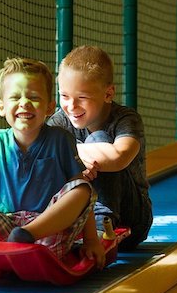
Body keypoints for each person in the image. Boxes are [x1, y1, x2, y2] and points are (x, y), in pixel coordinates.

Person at [0, 58, 105, 268]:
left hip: (45, 235)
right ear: (1, 106)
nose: (24, 103)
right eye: (15, 97)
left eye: (34, 97)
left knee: (82, 188)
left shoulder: (60, 139)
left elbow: (82, 199)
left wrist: (91, 240)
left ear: (49, 107)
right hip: (2, 230)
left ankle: (27, 234)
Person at [47, 45, 153, 250]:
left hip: (132, 218)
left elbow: (117, 157)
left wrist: (72, 153)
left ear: (108, 93)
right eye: (65, 96)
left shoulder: (125, 118)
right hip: (79, 216)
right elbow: (44, 154)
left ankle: (100, 225)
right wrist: (75, 160)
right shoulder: (60, 121)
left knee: (98, 139)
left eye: (82, 98)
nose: (71, 106)